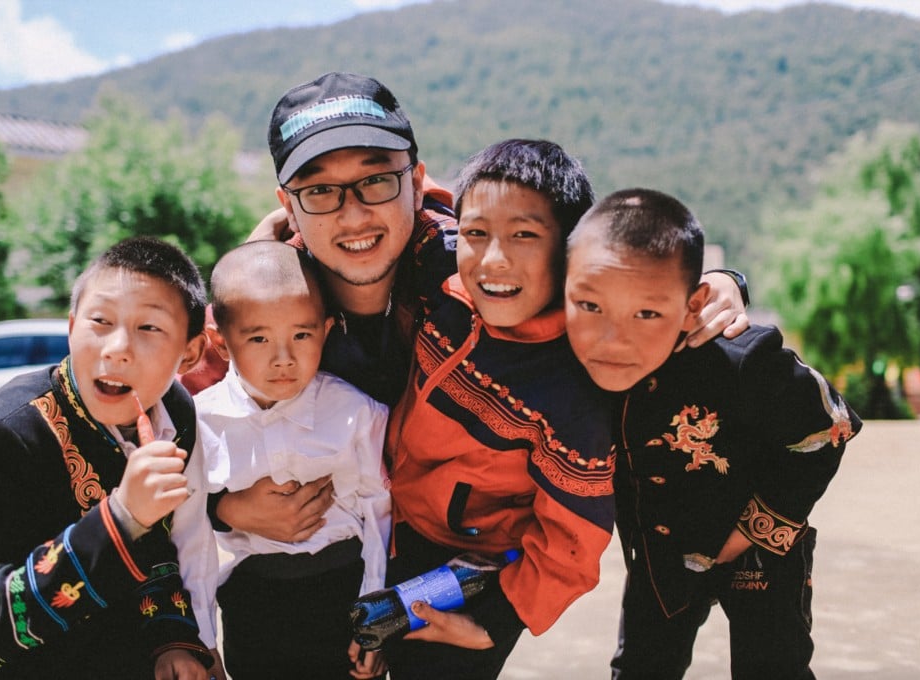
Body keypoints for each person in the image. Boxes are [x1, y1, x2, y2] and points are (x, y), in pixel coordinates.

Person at [205, 71, 752, 544]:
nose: (352, 215)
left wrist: (719, 283)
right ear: (288, 205)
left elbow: (596, 258)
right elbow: (175, 421)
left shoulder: (472, 265)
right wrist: (222, 510)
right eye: (320, 192)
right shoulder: (261, 299)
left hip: (455, 550)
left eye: (375, 181)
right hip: (323, 560)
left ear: (416, 182)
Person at [562, 188, 862, 680]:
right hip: (658, 556)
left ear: (694, 305)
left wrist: (757, 527)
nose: (615, 339)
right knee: (640, 668)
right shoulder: (570, 358)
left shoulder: (741, 358)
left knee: (774, 667)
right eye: (591, 306)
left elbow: (829, 427)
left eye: (647, 314)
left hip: (757, 553)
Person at [0, 236, 213, 679]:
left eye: (149, 328)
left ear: (190, 353)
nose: (117, 347)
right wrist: (121, 516)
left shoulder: (175, 413)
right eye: (100, 321)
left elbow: (157, 544)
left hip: (97, 644)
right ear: (72, 327)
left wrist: (172, 639)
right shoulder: (6, 432)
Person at [378, 139, 615, 679]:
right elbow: (420, 203)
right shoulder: (442, 278)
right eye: (477, 233)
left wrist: (498, 621)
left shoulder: (572, 392)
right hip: (387, 523)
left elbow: (573, 538)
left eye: (524, 235)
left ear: (572, 249)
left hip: (468, 568)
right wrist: (279, 226)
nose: (493, 260)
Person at [171, 240, 391, 680]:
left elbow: (379, 515)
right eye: (259, 339)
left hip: (343, 597)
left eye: (302, 336)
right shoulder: (198, 424)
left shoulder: (355, 413)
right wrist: (202, 639)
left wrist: (378, 616)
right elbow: (193, 541)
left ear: (326, 331)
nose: (284, 359)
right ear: (221, 342)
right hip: (252, 605)